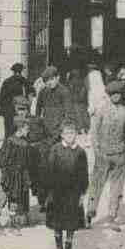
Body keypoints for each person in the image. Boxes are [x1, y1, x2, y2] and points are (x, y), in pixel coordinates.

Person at [86, 80, 125, 231]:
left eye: (118, 94)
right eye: (113, 94)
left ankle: (112, 217)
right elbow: (94, 132)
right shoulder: (101, 110)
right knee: (96, 185)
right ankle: (89, 215)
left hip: (119, 154)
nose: (116, 97)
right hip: (103, 154)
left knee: (117, 188)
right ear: (108, 95)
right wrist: (97, 150)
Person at [44, 120, 89, 249]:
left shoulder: (80, 152)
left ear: (76, 135)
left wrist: (82, 193)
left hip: (73, 193)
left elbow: (84, 174)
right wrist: (49, 192)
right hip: (57, 193)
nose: (70, 136)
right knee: (57, 223)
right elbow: (49, 171)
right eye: (67, 133)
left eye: (72, 133)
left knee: (70, 223)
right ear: (62, 135)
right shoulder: (55, 150)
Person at [34, 66, 73, 209]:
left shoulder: (64, 92)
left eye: (51, 79)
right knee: (43, 167)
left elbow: (68, 116)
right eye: (46, 81)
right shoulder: (43, 92)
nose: (49, 83)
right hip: (45, 135)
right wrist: (38, 129)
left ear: (58, 77)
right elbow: (38, 112)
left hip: (59, 136)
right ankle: (43, 199)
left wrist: (59, 134)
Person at [0, 114, 38, 233]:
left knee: (14, 198)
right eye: (27, 128)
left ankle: (13, 221)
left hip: (18, 175)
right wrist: (7, 170)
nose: (28, 131)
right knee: (2, 198)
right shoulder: (10, 142)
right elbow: (2, 158)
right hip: (8, 174)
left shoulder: (25, 143)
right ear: (21, 128)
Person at [0, 63, 30, 139]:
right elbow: (30, 97)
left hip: (8, 112)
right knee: (19, 133)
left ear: (13, 71)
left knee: (8, 133)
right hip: (19, 112)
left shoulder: (6, 81)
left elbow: (1, 98)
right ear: (21, 71)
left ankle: (7, 148)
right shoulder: (24, 81)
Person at [66, 67, 90, 133]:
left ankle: (80, 130)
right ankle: (85, 129)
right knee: (84, 117)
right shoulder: (82, 82)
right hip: (82, 103)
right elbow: (84, 93)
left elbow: (69, 92)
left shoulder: (70, 82)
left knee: (78, 118)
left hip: (75, 103)